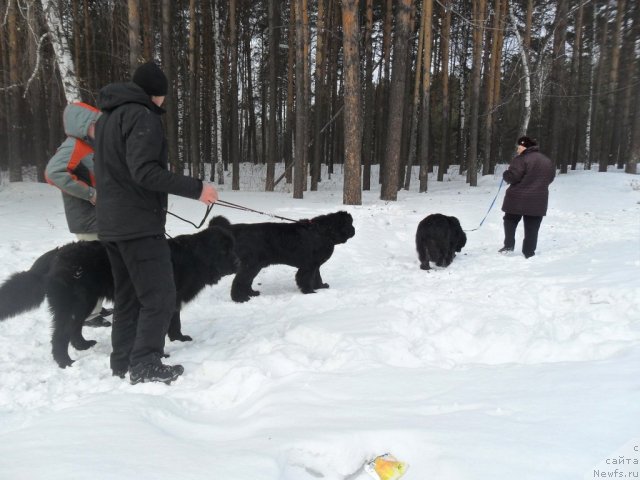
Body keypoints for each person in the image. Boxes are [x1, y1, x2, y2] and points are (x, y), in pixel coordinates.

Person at [94, 61, 219, 385]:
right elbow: (144, 172)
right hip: (136, 226)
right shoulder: (141, 115)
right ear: (157, 94)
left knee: (128, 297)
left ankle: (122, 361)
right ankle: (146, 363)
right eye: (164, 95)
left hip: (112, 223)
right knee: (161, 297)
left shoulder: (108, 117)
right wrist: (198, 188)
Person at [45, 102, 112, 328]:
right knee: (93, 266)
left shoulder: (88, 146)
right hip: (86, 219)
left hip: (96, 217)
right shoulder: (73, 146)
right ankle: (88, 314)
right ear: (84, 125)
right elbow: (53, 173)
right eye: (96, 125)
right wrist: (90, 193)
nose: (100, 128)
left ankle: (95, 307)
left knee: (103, 262)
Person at [499, 136, 556, 258]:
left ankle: (509, 245)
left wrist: (506, 174)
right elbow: (550, 178)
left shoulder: (521, 159)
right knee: (532, 226)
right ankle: (529, 252)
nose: (517, 150)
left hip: (517, 198)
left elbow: (513, 177)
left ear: (524, 146)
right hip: (538, 199)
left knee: (510, 220)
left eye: (519, 147)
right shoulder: (547, 160)